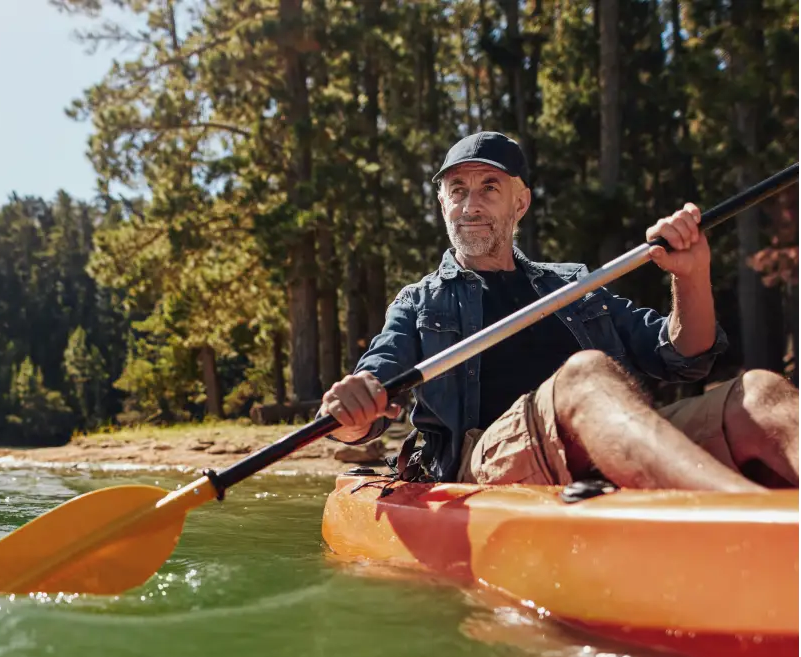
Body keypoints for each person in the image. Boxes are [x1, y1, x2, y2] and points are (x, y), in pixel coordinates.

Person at [319, 131, 800, 491]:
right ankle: (747, 520)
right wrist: (353, 410)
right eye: (457, 190)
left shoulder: (574, 286)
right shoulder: (418, 302)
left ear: (520, 202)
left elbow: (686, 354)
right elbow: (362, 418)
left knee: (761, 392)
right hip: (487, 462)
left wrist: (690, 275)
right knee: (585, 376)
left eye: (489, 187)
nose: (471, 205)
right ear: (442, 204)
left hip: (603, 444)